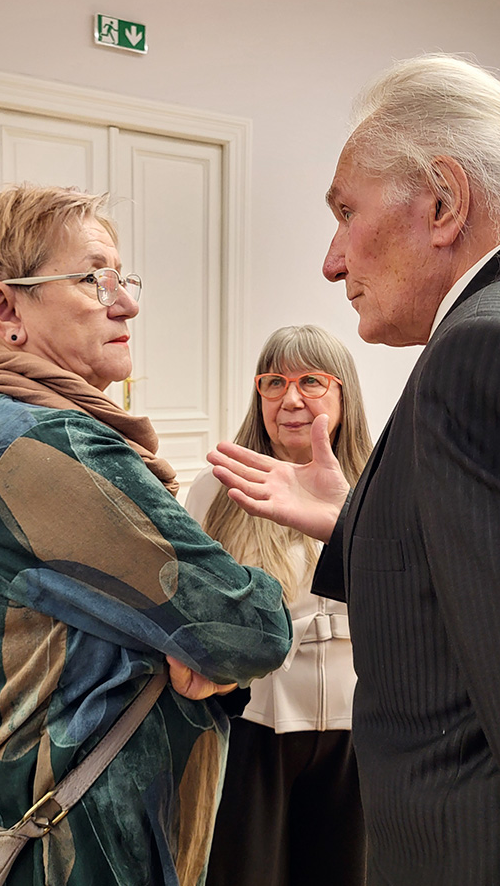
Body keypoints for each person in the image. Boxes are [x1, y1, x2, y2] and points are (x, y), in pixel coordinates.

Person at [206, 54, 500, 885]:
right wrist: (349, 519)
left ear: (444, 203)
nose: (332, 259)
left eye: (347, 212)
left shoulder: (482, 348)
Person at [0, 184, 292, 886]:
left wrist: (189, 644)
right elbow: (252, 628)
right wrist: (198, 644)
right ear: (6, 310)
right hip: (66, 854)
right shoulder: (44, 444)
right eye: (94, 279)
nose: (125, 303)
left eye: (124, 278)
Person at [186, 324, 371, 886]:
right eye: (274, 382)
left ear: (343, 393)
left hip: (359, 731)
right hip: (254, 726)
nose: (290, 399)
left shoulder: (379, 484)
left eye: (311, 381)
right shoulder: (219, 489)